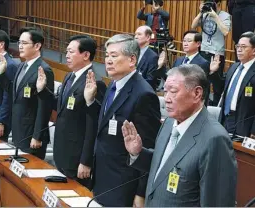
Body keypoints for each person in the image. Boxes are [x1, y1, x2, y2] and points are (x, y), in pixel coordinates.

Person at [123, 64, 237, 207]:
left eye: (173, 91)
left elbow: (217, 202)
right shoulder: (169, 123)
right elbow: (165, 166)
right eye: (165, 92)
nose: (167, 99)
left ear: (197, 93)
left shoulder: (215, 139)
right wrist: (138, 153)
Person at [87, 34, 161, 206]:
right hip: (103, 177)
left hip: (124, 185)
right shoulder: (113, 84)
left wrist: (141, 193)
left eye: (114, 55)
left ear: (132, 59)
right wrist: (91, 101)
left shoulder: (144, 94)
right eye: (107, 55)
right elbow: (105, 126)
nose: (108, 60)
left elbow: (148, 147)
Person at [36, 35, 106, 188]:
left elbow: (93, 124)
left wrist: (86, 161)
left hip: (77, 156)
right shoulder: (69, 76)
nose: (66, 55)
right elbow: (61, 108)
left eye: (71, 52)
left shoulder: (96, 82)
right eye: (66, 51)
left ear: (86, 55)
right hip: (62, 150)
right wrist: (42, 90)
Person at [0, 27, 54, 159]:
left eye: (24, 43)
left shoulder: (44, 69)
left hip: (31, 133)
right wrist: (2, 74)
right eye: (19, 43)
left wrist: (37, 136)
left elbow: (45, 105)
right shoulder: (22, 66)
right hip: (18, 129)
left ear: (37, 45)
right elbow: (13, 93)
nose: (20, 46)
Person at [191, 0, 231, 106]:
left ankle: (217, 108)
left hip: (217, 53)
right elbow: (193, 26)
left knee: (217, 84)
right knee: (203, 81)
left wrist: (215, 17)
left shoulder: (224, 15)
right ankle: (203, 105)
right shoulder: (204, 14)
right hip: (204, 51)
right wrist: (200, 12)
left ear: (218, 4)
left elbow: (225, 31)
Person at [219, 32, 255, 139]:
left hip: (244, 123)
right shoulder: (234, 67)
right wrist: (214, 74)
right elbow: (221, 89)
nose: (239, 49)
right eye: (238, 46)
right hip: (225, 119)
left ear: (254, 50)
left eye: (243, 47)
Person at [157, 31, 210, 103]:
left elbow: (202, 88)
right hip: (175, 100)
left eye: (189, 41)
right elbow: (169, 79)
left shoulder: (203, 63)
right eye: (184, 41)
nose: (185, 43)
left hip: (190, 102)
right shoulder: (178, 60)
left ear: (198, 44)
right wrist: (161, 66)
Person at [135, 25, 159, 90]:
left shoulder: (153, 57)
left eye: (139, 34)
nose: (136, 37)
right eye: (135, 34)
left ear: (148, 37)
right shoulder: (131, 52)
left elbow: (151, 80)